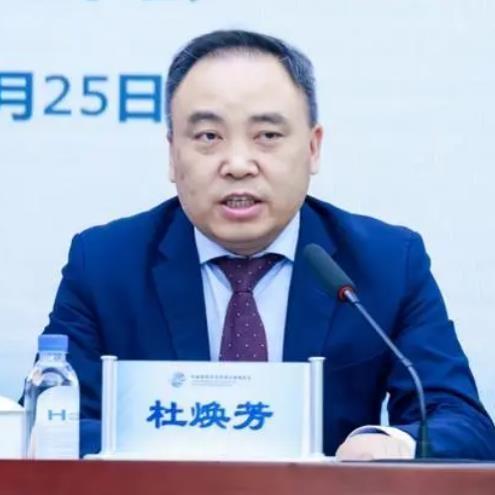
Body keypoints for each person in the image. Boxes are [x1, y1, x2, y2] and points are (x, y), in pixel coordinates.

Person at [39, 30, 495, 460]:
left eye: (268, 136)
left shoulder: (387, 263)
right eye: (208, 137)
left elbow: (462, 423)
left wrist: (391, 443)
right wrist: (175, 448)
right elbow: (50, 424)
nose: (238, 164)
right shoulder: (104, 264)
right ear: (172, 154)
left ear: (313, 148)